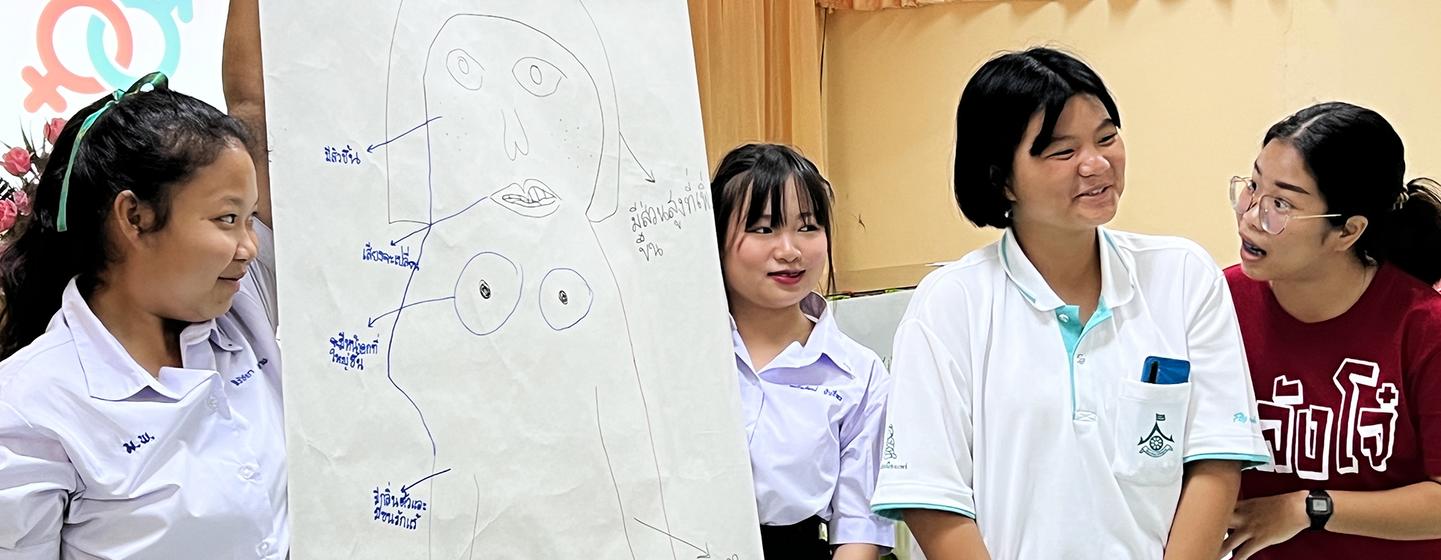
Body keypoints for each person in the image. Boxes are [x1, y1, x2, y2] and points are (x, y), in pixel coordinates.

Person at [869, 47, 1269, 558]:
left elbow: (1214, 462)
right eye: (1062, 152)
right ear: (1000, 178)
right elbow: (932, 498)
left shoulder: (1182, 276)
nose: (1097, 164)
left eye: (1107, 138)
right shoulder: (951, 303)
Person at [1222, 101, 1441, 559]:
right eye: (1252, 185)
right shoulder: (1215, 303)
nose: (1250, 214)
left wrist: (1308, 508)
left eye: (1281, 203)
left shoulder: (1424, 326)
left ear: (1348, 231)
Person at [711, 143, 894, 559]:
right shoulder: (676, 354)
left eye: (808, 227)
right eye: (763, 228)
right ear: (716, 238)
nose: (790, 250)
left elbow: (859, 523)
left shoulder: (857, 374)